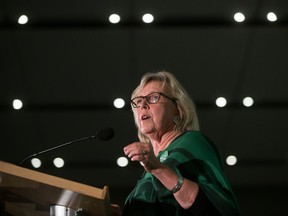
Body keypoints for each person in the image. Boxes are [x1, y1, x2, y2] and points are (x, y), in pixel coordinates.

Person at [122, 71, 240, 216]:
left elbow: (217, 208)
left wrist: (158, 169)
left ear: (178, 110)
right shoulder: (148, 169)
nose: (143, 105)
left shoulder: (192, 142)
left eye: (153, 98)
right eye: (138, 101)